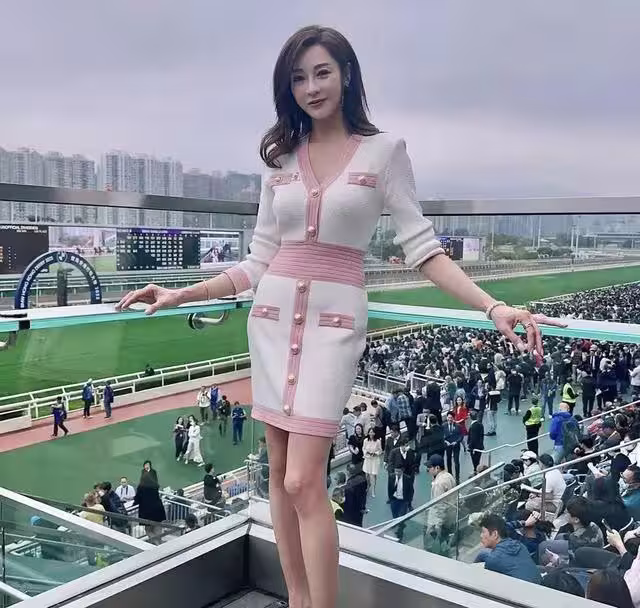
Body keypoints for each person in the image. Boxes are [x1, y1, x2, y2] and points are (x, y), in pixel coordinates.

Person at [116, 25, 561, 608]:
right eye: (298, 78)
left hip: (334, 329)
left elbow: (423, 249)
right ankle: (298, 599)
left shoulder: (385, 152)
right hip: (270, 319)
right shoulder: (280, 157)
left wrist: (493, 305)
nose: (311, 87)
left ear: (347, 75)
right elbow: (257, 260)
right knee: (279, 475)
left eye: (322, 72)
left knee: (303, 479)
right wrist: (184, 294)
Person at [474, 514, 542, 585]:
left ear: (494, 534)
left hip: (520, 591)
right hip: (538, 586)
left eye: (483, 532)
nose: (481, 535)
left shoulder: (493, 560)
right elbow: (504, 526)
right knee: (483, 553)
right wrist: (524, 523)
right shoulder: (520, 545)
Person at [134, 461, 166, 545]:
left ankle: (157, 544)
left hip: (147, 512)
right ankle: (159, 543)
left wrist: (134, 503)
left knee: (148, 529)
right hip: (158, 510)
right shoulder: (155, 486)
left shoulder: (141, 487)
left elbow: (137, 499)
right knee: (158, 528)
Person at [443, 411, 464, 484]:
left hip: (456, 446)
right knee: (448, 461)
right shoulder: (444, 426)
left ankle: (457, 478)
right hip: (448, 446)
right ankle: (450, 476)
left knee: (456, 462)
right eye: (448, 417)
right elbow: (441, 435)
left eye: (451, 418)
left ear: (453, 418)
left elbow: (461, 436)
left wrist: (456, 442)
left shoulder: (458, 426)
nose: (449, 419)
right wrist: (445, 441)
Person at [362, 427, 382, 498]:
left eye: (372, 432)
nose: (371, 433)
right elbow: (363, 448)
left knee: (373, 476)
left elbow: (380, 450)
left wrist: (375, 453)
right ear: (368, 433)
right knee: (367, 475)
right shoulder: (365, 440)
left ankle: (373, 490)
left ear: (375, 433)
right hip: (367, 459)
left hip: (375, 460)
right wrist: (366, 452)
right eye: (370, 432)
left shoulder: (378, 441)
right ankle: (368, 486)